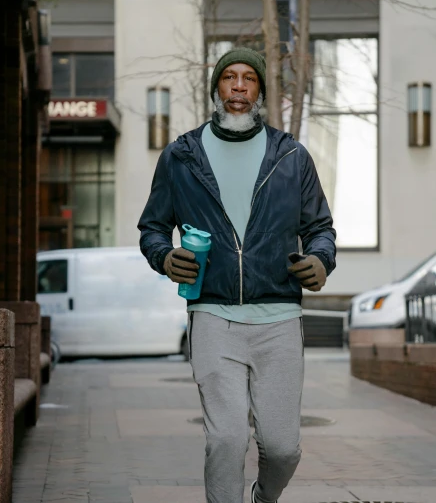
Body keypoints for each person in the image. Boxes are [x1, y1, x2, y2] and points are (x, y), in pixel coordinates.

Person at [138, 47, 336, 503]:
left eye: (250, 79)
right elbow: (152, 227)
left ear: (261, 91)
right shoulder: (181, 156)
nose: (240, 87)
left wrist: (322, 260)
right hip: (213, 316)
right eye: (230, 78)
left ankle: (263, 498)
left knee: (283, 448)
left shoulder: (291, 156)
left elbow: (320, 228)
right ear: (217, 88)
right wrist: (165, 257)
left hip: (279, 319)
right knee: (226, 440)